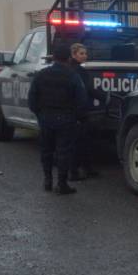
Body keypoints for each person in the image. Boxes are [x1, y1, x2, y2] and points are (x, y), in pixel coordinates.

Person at [28, 44, 88, 195]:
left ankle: (47, 180)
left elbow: (32, 99)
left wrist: (40, 114)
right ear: (68, 58)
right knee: (63, 152)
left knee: (46, 151)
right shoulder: (73, 76)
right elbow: (82, 100)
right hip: (66, 119)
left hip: (46, 118)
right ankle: (62, 184)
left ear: (53, 58)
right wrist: (77, 117)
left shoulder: (41, 74)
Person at [68, 42, 105, 180]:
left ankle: (84, 168)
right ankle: (76, 171)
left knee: (81, 141)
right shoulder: (78, 71)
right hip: (79, 110)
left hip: (72, 110)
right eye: (81, 53)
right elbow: (87, 89)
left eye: (85, 53)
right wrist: (104, 97)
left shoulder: (71, 68)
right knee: (80, 141)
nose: (85, 56)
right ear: (73, 54)